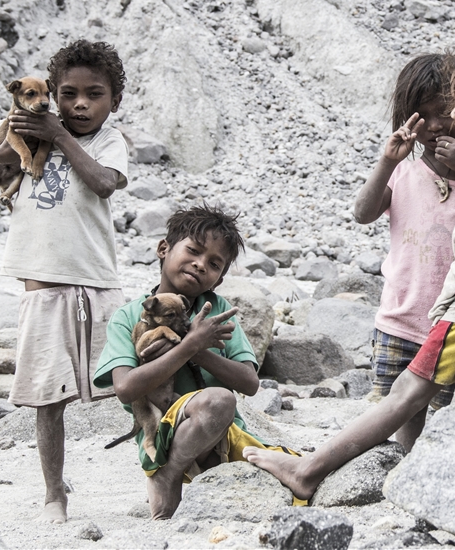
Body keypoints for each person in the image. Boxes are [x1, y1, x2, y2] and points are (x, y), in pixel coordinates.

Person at [244, 34, 455, 500]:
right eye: (429, 112)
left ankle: (310, 470)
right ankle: (401, 476)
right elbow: (365, 211)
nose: (447, 119)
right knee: (405, 403)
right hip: (411, 317)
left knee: (408, 397)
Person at [0, 40, 130, 523]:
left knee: (132, 387)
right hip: (41, 289)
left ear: (114, 101)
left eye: (94, 95)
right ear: (52, 95)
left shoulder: (108, 141)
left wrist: (59, 135)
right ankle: (53, 495)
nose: (80, 104)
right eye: (68, 94)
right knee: (48, 401)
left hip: (98, 282)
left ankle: (162, 471)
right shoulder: (32, 127)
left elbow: (104, 183)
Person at [93, 205, 300, 520]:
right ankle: (168, 474)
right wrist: (189, 344)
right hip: (163, 436)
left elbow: (249, 383)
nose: (200, 264)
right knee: (218, 400)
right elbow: (125, 388)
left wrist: (199, 349)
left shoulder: (217, 311)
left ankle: (194, 474)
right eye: (193, 250)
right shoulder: (130, 315)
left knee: (300, 481)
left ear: (219, 279)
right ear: (163, 249)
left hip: (221, 435)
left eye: (214, 264)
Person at [353, 53, 455, 451]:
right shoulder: (404, 172)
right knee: (399, 414)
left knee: (447, 419)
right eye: (423, 116)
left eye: (444, 111)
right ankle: (403, 467)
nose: (436, 125)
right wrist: (386, 161)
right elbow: (363, 213)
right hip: (401, 321)